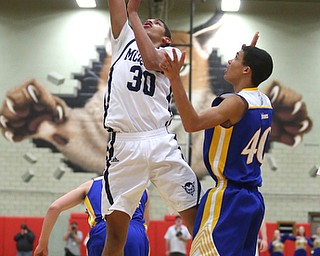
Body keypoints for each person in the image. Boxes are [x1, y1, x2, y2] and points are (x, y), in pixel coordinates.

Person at [102, 0, 202, 255]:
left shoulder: (173, 55)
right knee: (114, 234)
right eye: (148, 21)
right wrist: (128, 12)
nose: (150, 21)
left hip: (159, 141)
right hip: (124, 144)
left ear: (167, 39)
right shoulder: (123, 39)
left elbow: (150, 60)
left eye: (156, 23)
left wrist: (134, 13)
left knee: (197, 222)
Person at [160, 34, 273, 255]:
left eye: (236, 58)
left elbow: (192, 123)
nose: (230, 61)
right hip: (253, 201)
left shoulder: (234, 104)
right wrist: (251, 55)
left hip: (228, 198)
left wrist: (174, 78)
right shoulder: (264, 101)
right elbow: (247, 92)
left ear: (246, 70)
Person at [34, 176, 150, 256]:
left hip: (105, 230)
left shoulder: (90, 185)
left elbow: (54, 208)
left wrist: (42, 244)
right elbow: (145, 224)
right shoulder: (142, 188)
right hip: (137, 233)